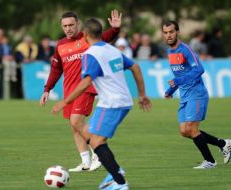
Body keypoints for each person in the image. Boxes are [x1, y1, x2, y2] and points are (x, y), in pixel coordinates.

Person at [51, 18, 152, 190]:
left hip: (111, 103)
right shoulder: (111, 50)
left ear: (86, 35)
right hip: (123, 102)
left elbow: (86, 81)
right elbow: (135, 67)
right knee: (97, 139)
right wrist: (142, 95)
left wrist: (65, 101)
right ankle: (114, 173)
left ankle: (119, 182)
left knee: (96, 142)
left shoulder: (91, 55)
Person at [40, 10, 122, 172]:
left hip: (86, 88)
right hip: (69, 91)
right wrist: (47, 88)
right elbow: (56, 69)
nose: (68, 28)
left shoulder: (87, 38)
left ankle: (98, 152)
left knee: (76, 121)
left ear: (78, 24)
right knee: (74, 126)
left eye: (71, 25)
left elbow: (104, 37)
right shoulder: (61, 45)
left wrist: (115, 29)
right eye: (65, 26)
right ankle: (85, 162)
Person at [162, 20, 231, 169]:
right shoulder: (170, 52)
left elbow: (199, 69)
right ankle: (223, 144)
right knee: (184, 131)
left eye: (171, 32)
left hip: (197, 93)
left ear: (177, 32)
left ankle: (210, 162)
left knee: (192, 129)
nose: (168, 35)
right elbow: (179, 74)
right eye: (165, 33)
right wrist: (170, 91)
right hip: (184, 95)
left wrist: (178, 81)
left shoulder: (185, 49)